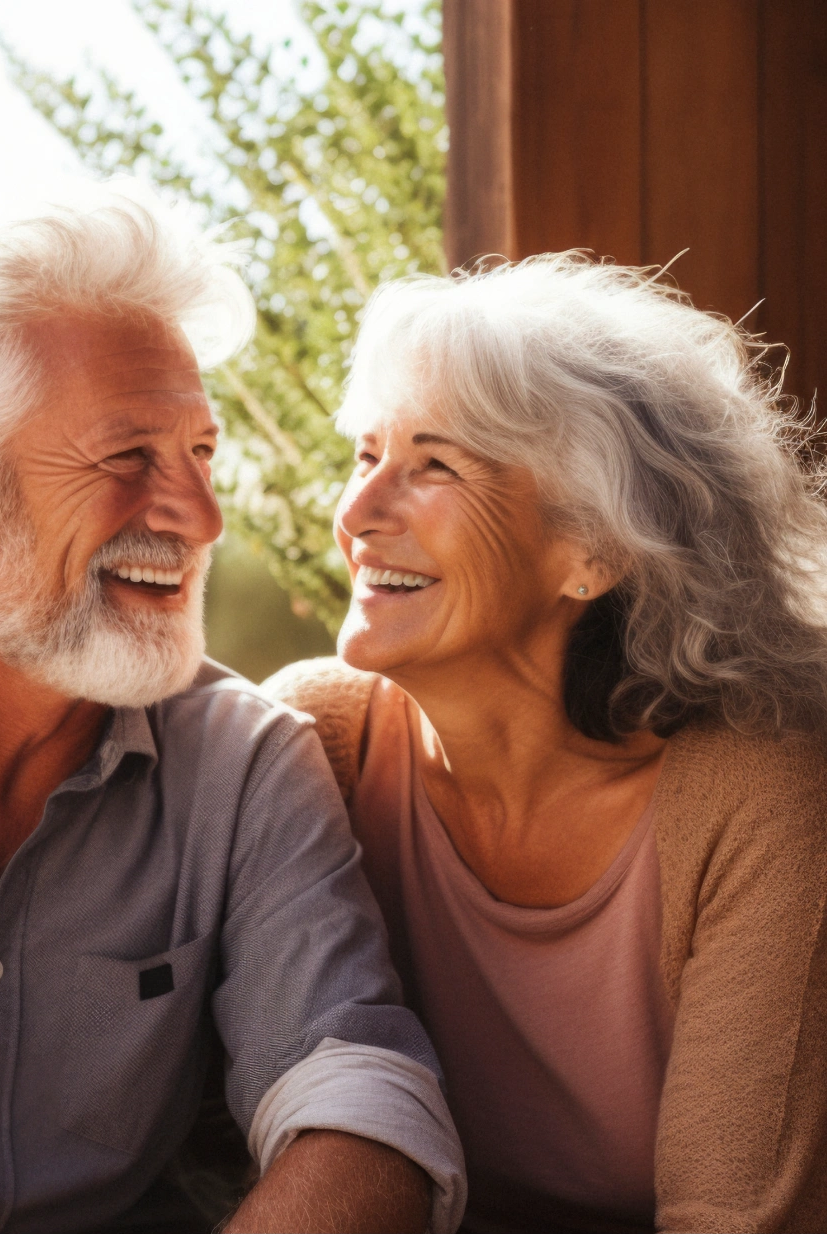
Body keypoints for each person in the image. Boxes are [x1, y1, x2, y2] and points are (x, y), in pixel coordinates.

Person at [0, 183, 466, 1236]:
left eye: (201, 455)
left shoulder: (246, 764)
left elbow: (355, 1097)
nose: (199, 519)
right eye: (127, 457)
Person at [267, 253, 827, 1235]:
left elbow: (731, 1221)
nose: (354, 517)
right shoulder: (319, 741)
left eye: (433, 465)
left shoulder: (752, 791)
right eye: (365, 457)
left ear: (593, 551)